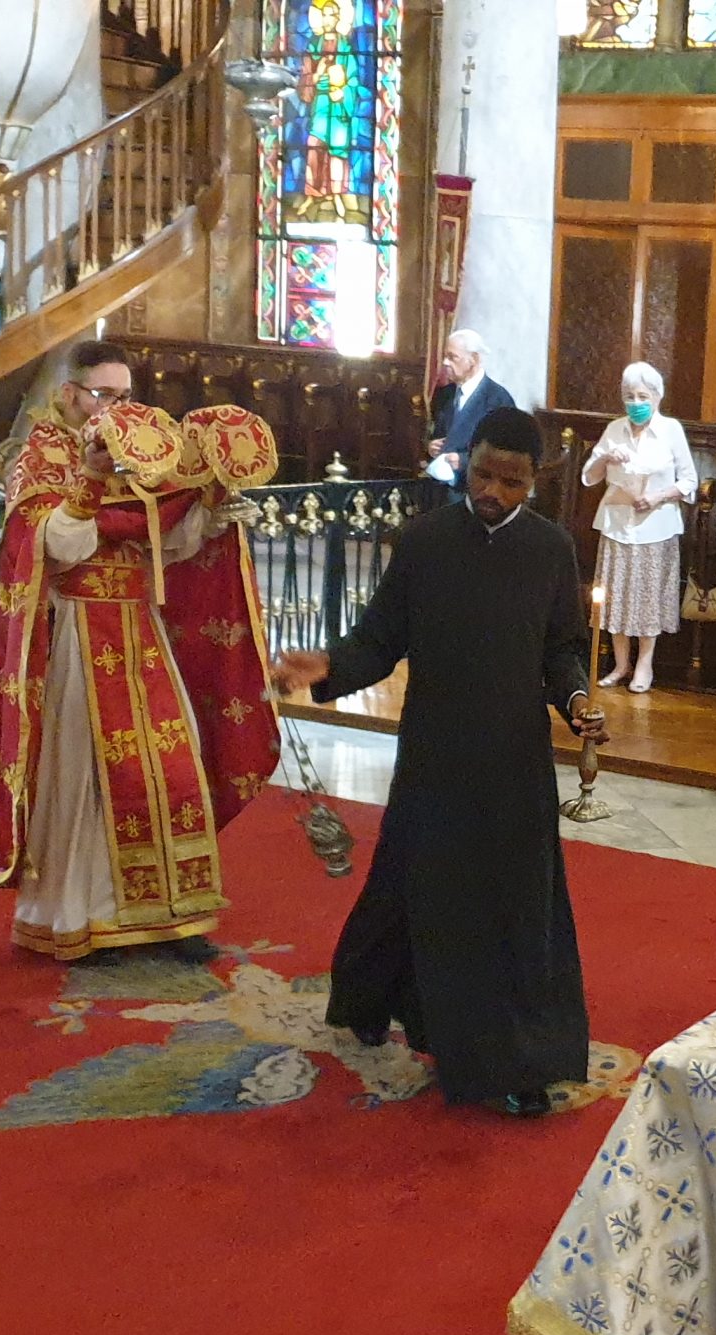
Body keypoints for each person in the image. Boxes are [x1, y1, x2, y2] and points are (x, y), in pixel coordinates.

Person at [270, 407, 606, 1118]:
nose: (492, 491)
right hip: (435, 749)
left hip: (513, 757)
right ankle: (371, 996)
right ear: (467, 463)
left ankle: (517, 1059)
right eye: (482, 474)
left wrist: (576, 697)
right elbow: (379, 638)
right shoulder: (425, 542)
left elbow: (560, 648)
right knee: (411, 879)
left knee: (513, 904)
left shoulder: (550, 550)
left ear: (534, 481)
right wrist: (329, 665)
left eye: (511, 482)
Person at [0, 399, 280, 962]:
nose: (113, 405)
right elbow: (56, 548)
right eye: (102, 392)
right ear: (72, 394)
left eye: (121, 392)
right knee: (88, 780)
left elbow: (171, 546)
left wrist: (208, 497)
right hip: (78, 639)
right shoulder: (46, 455)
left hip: (143, 634)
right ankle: (87, 919)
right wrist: (91, 479)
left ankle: (173, 915)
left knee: (173, 769)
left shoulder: (147, 455)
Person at [579, 361, 697, 693]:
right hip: (617, 524)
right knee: (614, 594)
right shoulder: (615, 429)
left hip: (656, 526)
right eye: (629, 396)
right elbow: (588, 476)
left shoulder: (671, 429)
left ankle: (644, 664)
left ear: (657, 397)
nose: (636, 403)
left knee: (647, 598)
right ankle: (620, 664)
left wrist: (658, 496)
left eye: (643, 396)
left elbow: (689, 481)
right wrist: (606, 458)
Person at [6, 339, 133, 506]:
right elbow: (39, 520)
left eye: (125, 396)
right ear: (69, 393)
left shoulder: (132, 442)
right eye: (104, 395)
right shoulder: (41, 455)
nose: (118, 407)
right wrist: (93, 475)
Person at [422, 329, 513, 491]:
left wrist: (465, 461)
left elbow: (506, 453)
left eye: (452, 357)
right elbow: (436, 433)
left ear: (474, 360)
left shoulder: (498, 399)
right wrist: (431, 447)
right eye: (445, 356)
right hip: (438, 488)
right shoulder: (445, 394)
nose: (445, 362)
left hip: (477, 490)